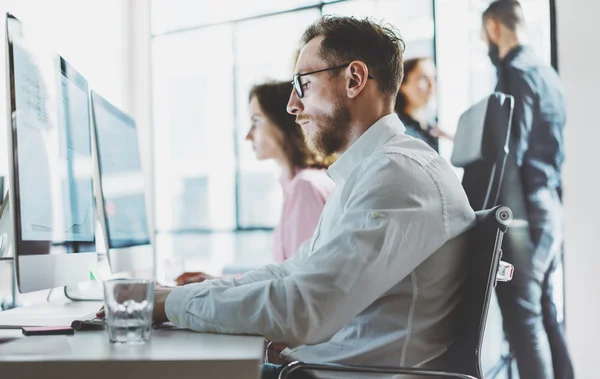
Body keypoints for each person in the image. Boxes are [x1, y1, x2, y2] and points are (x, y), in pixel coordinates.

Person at [107, 16, 476, 379]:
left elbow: (302, 310)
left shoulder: (399, 175)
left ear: (354, 79)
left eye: (303, 84)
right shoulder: (369, 173)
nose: (292, 105)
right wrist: (186, 293)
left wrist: (170, 303)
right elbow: (290, 272)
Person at [481, 1, 573, 378]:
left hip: (523, 216)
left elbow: (509, 156)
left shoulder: (513, 71)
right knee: (545, 315)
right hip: (549, 211)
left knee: (524, 323)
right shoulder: (546, 73)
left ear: (493, 28)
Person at [175, 81, 335, 285]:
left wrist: (218, 288)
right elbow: (284, 276)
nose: (247, 135)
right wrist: (220, 282)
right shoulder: (304, 182)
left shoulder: (305, 187)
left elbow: (299, 285)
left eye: (256, 121)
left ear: (284, 123)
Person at [394, 57, 451, 152]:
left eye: (434, 78)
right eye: (423, 78)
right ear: (402, 84)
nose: (431, 85)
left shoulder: (432, 128)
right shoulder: (399, 131)